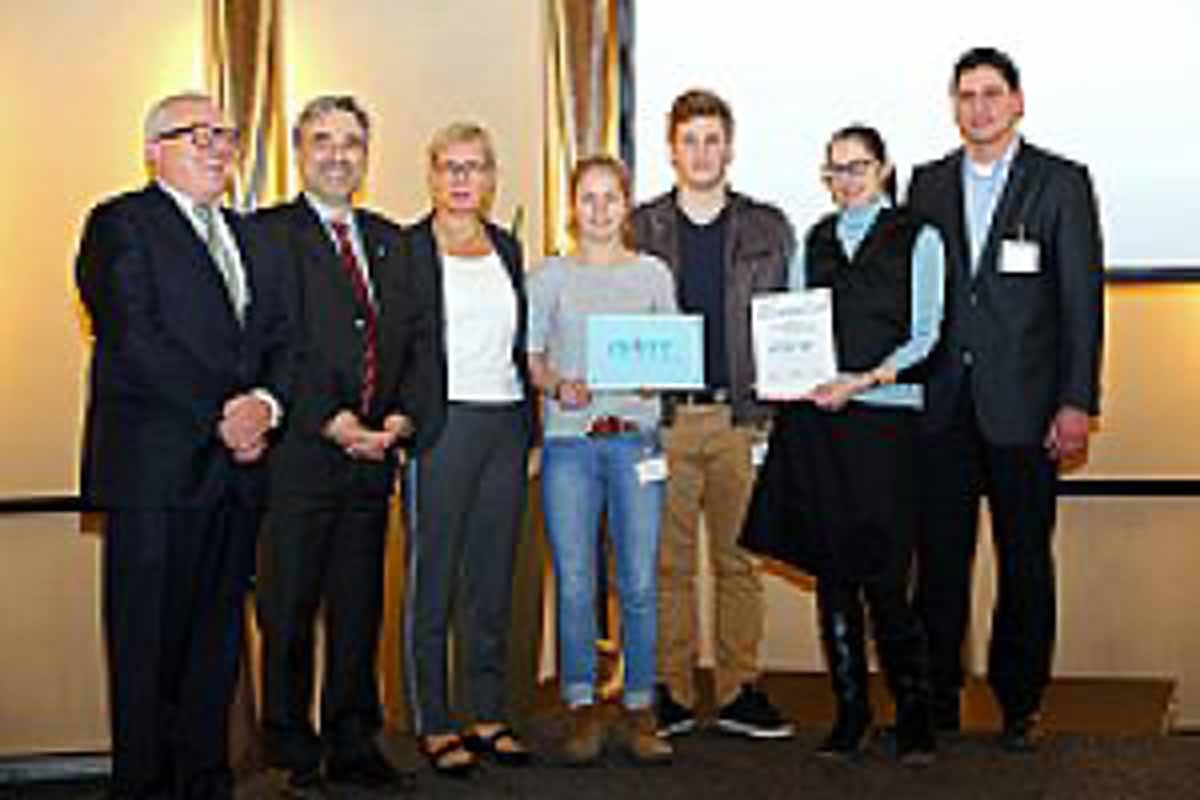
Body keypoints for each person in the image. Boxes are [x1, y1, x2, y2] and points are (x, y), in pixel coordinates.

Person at [76, 92, 295, 799]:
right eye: (193, 133)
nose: (214, 146)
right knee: (147, 659)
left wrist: (265, 405)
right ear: (153, 150)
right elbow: (135, 337)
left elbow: (285, 342)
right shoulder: (119, 224)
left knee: (214, 656)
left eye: (224, 134)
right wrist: (220, 414)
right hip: (156, 480)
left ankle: (206, 785)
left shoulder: (252, 236)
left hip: (237, 480)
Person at [907, 47, 1104, 752]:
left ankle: (1019, 702)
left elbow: (1082, 302)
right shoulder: (925, 184)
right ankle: (936, 697)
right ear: (953, 105)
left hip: (1026, 407)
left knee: (1024, 560)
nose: (979, 107)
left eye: (992, 93)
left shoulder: (1061, 183)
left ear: (1018, 101)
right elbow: (916, 296)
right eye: (966, 95)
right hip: (941, 406)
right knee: (939, 560)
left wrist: (1077, 401)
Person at [742, 125, 945, 764]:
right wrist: (785, 376)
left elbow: (927, 334)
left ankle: (913, 715)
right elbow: (797, 327)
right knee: (833, 574)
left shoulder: (920, 237)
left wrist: (865, 380)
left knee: (886, 575)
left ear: (884, 169)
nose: (846, 181)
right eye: (834, 171)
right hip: (820, 424)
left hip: (885, 422)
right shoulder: (817, 239)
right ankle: (850, 712)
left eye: (857, 168)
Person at [254, 95, 422, 794]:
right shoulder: (266, 235)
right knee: (288, 612)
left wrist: (404, 418)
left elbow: (414, 338)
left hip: (372, 463)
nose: (337, 154)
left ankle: (355, 742)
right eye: (322, 140)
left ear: (366, 153)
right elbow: (272, 342)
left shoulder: (392, 239)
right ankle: (294, 752)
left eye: (351, 142)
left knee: (359, 613)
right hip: (299, 457)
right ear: (300, 150)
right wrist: (331, 421)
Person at [633, 89, 795, 739]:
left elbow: (788, 319)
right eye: (689, 139)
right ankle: (672, 690)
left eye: (712, 138)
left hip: (740, 419)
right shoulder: (639, 228)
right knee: (667, 567)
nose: (701, 152)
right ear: (672, 149)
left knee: (739, 563)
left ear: (730, 146)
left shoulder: (768, 227)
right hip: (664, 420)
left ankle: (737, 690)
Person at [527, 154, 676, 765]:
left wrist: (655, 381)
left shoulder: (653, 274)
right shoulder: (548, 278)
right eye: (587, 198)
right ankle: (582, 705)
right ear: (572, 206)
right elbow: (533, 359)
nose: (599, 209)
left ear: (626, 204)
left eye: (610, 197)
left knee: (639, 582)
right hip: (570, 445)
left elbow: (674, 356)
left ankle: (640, 706)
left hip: (636, 442)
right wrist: (557, 384)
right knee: (577, 582)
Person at [400, 122, 534, 776]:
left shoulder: (507, 248)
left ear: (491, 177)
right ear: (431, 175)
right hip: (442, 427)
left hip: (505, 423)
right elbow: (395, 347)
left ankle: (486, 711)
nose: (461, 180)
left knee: (490, 578)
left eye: (474, 167)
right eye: (449, 167)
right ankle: (433, 719)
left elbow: (518, 343)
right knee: (434, 580)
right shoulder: (406, 249)